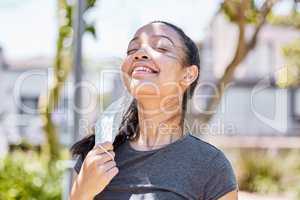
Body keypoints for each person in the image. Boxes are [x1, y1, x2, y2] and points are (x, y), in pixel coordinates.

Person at [70, 21, 238, 200]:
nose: (140, 53)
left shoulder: (211, 167)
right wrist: (82, 193)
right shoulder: (96, 156)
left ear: (188, 74)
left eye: (161, 48)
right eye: (132, 50)